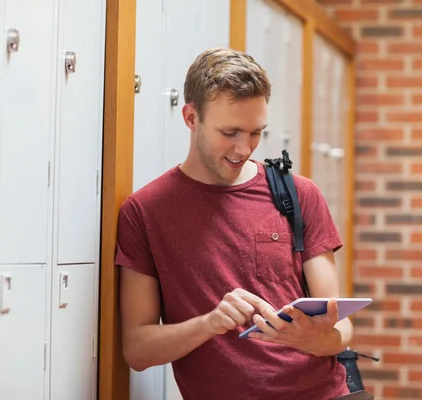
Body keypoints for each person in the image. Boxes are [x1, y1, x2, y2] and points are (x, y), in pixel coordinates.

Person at [116, 47, 354, 400]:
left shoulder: (300, 194)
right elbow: (137, 350)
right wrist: (209, 324)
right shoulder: (144, 212)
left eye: (256, 132)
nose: (244, 147)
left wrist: (320, 339)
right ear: (191, 117)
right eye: (230, 132)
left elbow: (341, 323)